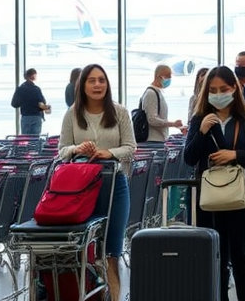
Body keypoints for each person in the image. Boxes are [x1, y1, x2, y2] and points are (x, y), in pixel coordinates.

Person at [184, 66, 245, 301]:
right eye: (212, 90)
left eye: (223, 88)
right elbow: (189, 158)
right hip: (210, 195)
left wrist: (235, 155)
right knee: (216, 254)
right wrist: (201, 133)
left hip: (241, 191)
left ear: (234, 88)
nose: (218, 93)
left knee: (240, 252)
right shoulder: (200, 119)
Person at [58, 64, 136, 301]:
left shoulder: (119, 112)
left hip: (114, 185)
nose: (97, 85)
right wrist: (77, 148)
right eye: (91, 81)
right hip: (81, 190)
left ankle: (114, 297)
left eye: (101, 80)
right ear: (82, 86)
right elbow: (62, 150)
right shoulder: (72, 113)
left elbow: (131, 148)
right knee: (87, 249)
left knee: (111, 249)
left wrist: (108, 153)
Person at [141, 64, 183, 143]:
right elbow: (152, 119)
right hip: (153, 140)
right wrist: (172, 124)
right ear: (159, 76)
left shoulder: (158, 92)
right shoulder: (151, 93)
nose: (169, 79)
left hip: (160, 138)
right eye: (167, 76)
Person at [11, 68, 50, 135]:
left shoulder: (20, 89)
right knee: (35, 141)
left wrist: (24, 102)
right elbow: (42, 103)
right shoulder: (36, 89)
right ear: (33, 76)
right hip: (36, 117)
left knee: (26, 140)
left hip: (25, 117)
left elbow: (14, 104)